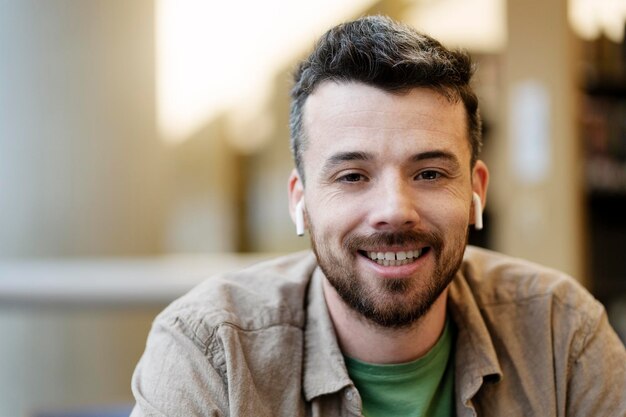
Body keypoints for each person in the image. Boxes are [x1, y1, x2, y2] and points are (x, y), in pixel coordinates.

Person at [130, 15, 626, 417]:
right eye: (352, 176)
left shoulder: (564, 335)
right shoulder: (211, 354)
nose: (394, 211)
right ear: (299, 200)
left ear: (476, 191)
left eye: (429, 173)